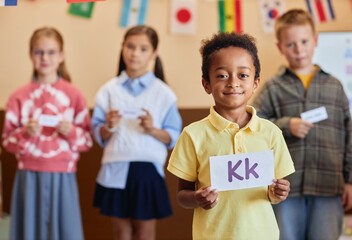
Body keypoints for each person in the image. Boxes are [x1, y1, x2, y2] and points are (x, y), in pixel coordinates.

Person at [167, 31, 295, 240]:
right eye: (221, 75)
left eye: (243, 75)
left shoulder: (271, 133)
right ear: (206, 84)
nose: (233, 82)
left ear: (255, 82)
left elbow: (274, 192)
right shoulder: (193, 135)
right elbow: (183, 195)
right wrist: (198, 199)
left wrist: (279, 193)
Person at [252, 9, 352, 240]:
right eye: (290, 44)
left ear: (315, 40)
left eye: (303, 41)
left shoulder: (335, 86)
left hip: (328, 184)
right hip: (285, 187)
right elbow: (254, 124)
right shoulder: (272, 87)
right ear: (280, 47)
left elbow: (348, 136)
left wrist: (350, 180)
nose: (299, 49)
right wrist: (285, 125)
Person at [2, 27, 93, 240]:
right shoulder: (18, 97)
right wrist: (25, 133)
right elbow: (7, 141)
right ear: (30, 54)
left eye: (51, 52)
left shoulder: (74, 95)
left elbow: (87, 141)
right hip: (28, 177)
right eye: (38, 52)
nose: (45, 58)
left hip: (64, 177)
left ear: (61, 55)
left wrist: (71, 132)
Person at [92, 25, 182, 240]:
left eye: (143, 49)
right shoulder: (108, 90)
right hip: (115, 166)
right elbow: (97, 133)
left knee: (145, 232)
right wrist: (109, 126)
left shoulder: (164, 94)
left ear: (154, 53)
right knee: (121, 232)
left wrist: (152, 129)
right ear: (122, 48)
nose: (135, 53)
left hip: (147, 170)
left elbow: (173, 137)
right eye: (130, 47)